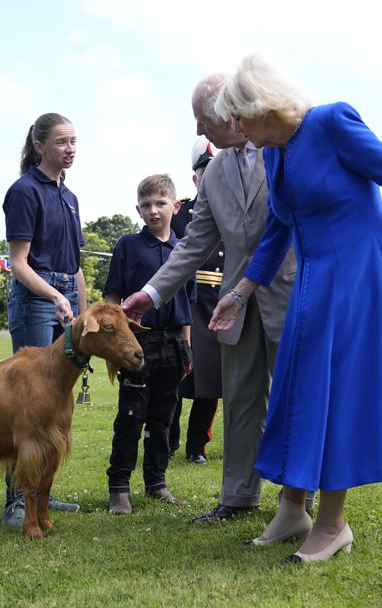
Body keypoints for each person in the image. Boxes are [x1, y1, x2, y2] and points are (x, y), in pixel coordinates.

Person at [209, 54, 382, 563]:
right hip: (315, 279)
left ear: (261, 107)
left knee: (341, 392)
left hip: (363, 274)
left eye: (238, 117)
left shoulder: (332, 122)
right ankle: (293, 509)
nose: (236, 128)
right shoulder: (273, 152)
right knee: (297, 388)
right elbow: (278, 230)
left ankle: (333, 525)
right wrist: (240, 292)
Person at [121, 73, 296, 524]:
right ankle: (239, 497)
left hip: (289, 294)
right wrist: (150, 292)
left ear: (227, 114)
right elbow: (193, 245)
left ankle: (300, 498)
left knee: (295, 397)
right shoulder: (215, 172)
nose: (200, 132)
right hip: (233, 304)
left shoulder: (285, 149)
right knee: (239, 400)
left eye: (202, 120)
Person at [1, 112, 85, 527]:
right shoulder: (23, 191)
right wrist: (53, 295)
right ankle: (16, 504)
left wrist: (82, 319)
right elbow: (18, 263)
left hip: (67, 297)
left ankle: (42, 496)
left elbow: (77, 267)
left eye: (74, 141)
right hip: (37, 298)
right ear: (39, 145)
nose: (70, 149)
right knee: (29, 405)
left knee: (57, 405)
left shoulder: (69, 198)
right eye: (62, 142)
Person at [102, 174, 192, 515]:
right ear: (138, 209)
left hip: (173, 345)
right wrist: (115, 347)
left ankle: (157, 482)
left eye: (161, 203)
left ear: (175, 206)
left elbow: (187, 307)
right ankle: (119, 487)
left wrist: (188, 350)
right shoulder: (128, 246)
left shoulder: (185, 249)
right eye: (147, 205)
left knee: (163, 417)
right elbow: (112, 301)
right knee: (131, 415)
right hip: (137, 344)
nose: (154, 211)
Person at [168, 137, 222, 465]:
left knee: (211, 381)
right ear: (196, 177)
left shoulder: (232, 212)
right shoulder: (178, 214)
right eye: (206, 170)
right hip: (184, 304)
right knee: (176, 377)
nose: (211, 177)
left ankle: (197, 445)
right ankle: (169, 438)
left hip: (217, 303)